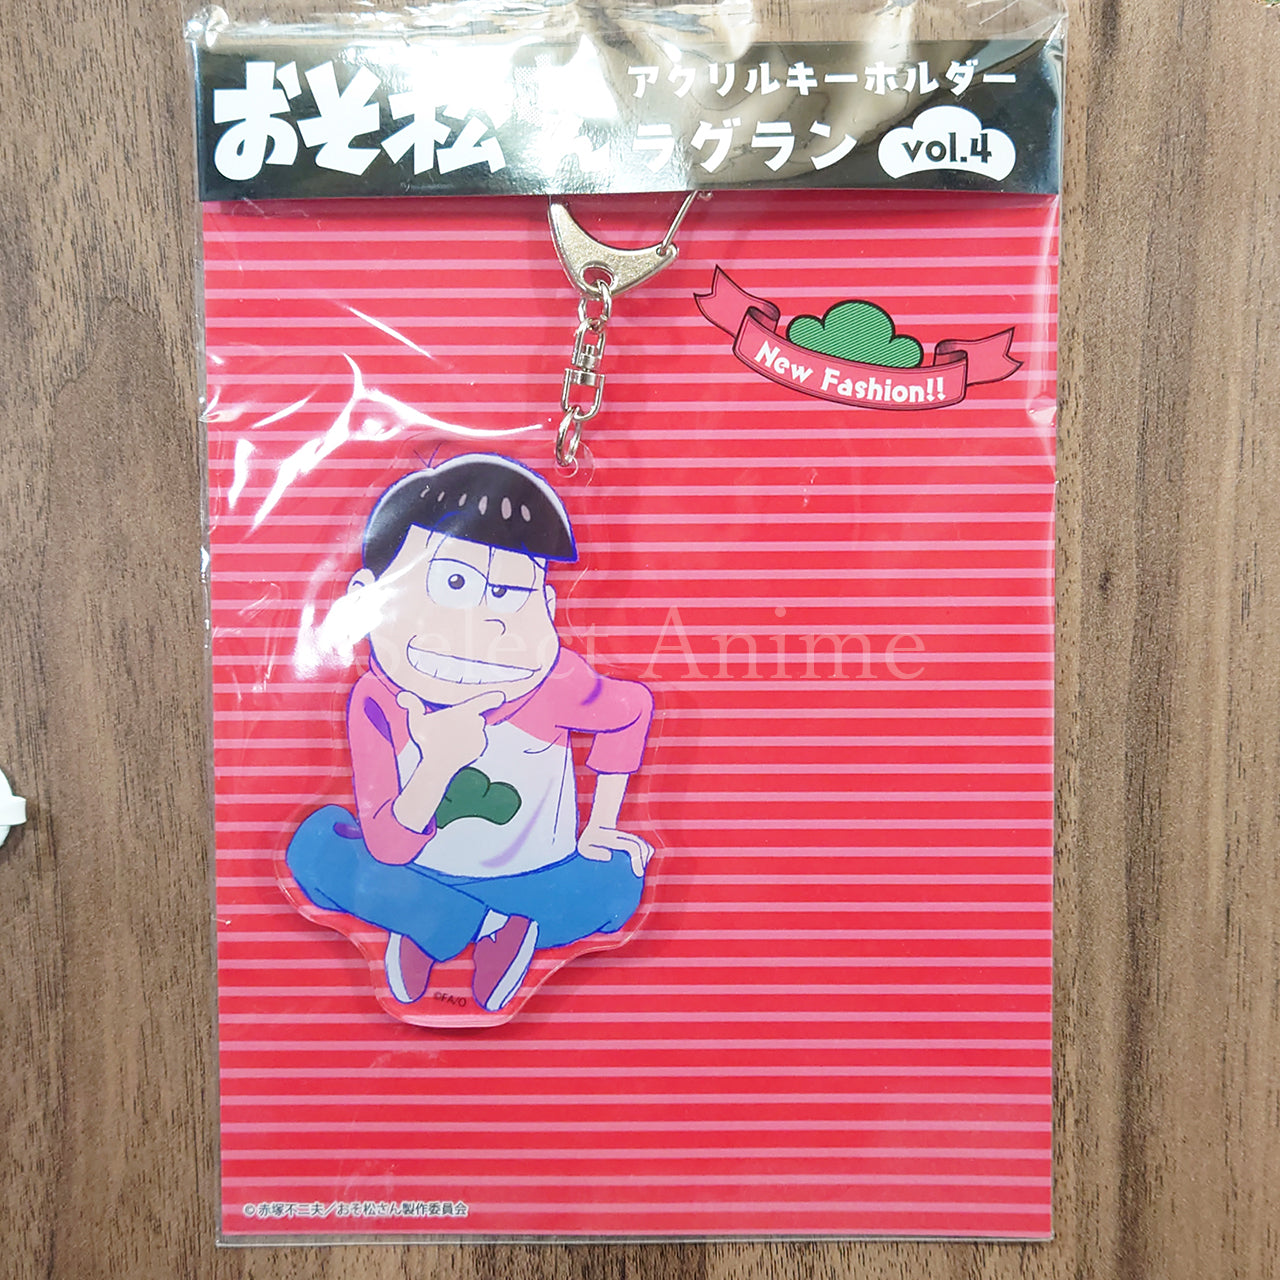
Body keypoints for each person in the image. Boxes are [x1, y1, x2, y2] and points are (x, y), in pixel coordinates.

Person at [286, 453, 654, 1012]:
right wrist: (437, 765)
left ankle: (424, 919)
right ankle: (475, 925)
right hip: (410, 868)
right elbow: (387, 845)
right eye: (453, 582)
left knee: (619, 882)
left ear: (547, 605)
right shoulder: (380, 701)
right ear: (365, 598)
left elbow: (631, 709)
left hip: (531, 879)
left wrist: (602, 825)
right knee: (315, 845)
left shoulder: (557, 683)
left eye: (508, 593)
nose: (485, 620)